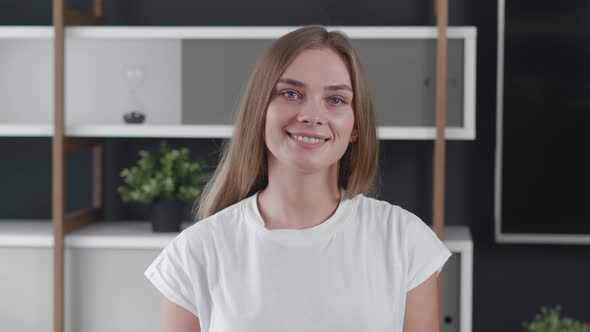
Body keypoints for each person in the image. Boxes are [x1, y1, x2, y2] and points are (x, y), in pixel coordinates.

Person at [144, 25, 452, 332]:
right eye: (291, 94)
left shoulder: (405, 241)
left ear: (356, 125)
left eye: (336, 100)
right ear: (260, 110)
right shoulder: (196, 252)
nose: (312, 115)